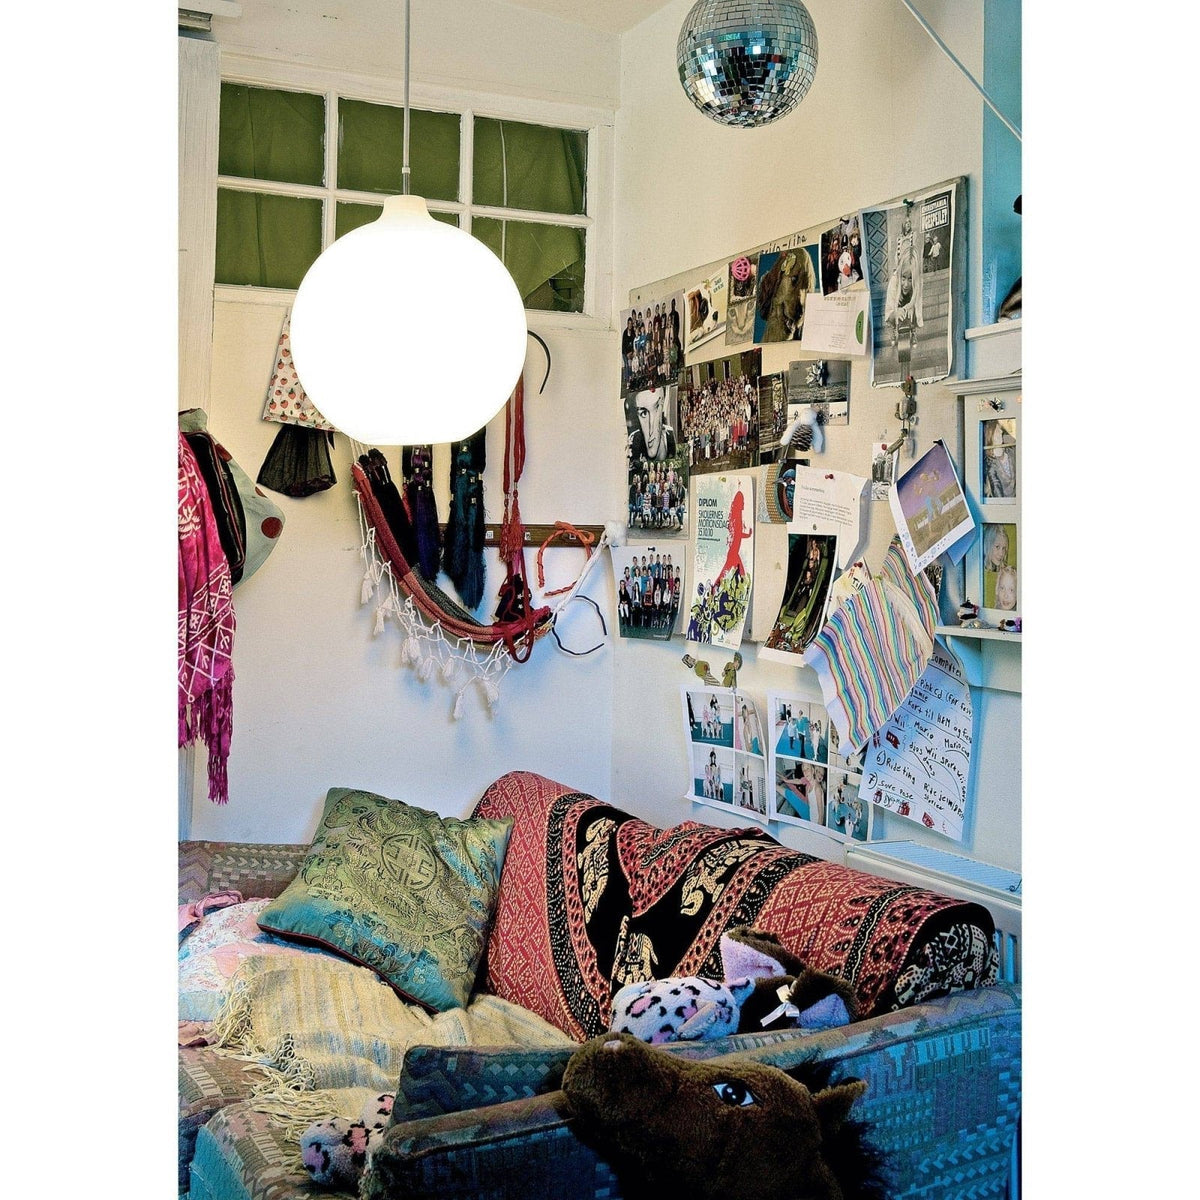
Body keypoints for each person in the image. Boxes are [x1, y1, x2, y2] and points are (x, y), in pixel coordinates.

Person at [628, 387, 677, 462]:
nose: (651, 431)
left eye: (656, 409)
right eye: (643, 413)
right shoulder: (633, 443)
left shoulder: (672, 435)